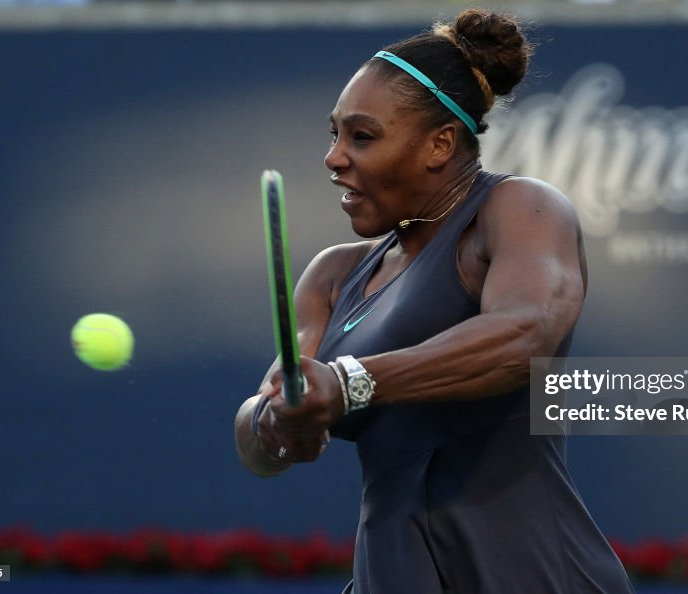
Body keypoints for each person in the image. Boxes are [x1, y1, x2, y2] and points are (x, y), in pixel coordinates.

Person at [234, 9, 635, 593]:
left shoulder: (520, 209)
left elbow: (526, 334)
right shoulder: (331, 274)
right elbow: (272, 411)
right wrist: (276, 421)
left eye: (362, 136)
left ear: (440, 144)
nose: (334, 157)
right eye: (335, 133)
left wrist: (349, 383)